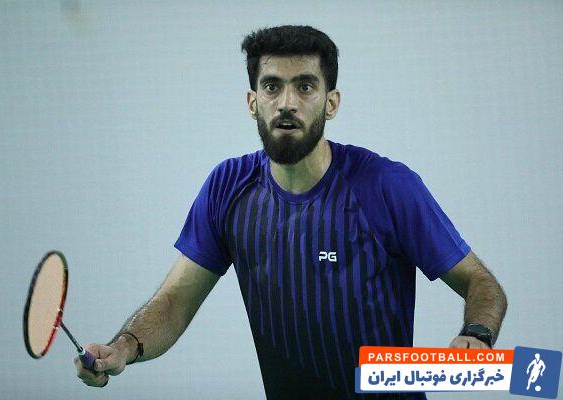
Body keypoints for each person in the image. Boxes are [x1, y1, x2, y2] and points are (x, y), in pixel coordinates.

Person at [74, 25, 508, 399]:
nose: (287, 102)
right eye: (272, 86)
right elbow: (174, 301)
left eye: (305, 86)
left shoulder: (386, 186)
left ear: (331, 102)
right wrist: (124, 347)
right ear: (252, 102)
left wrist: (477, 334)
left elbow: (480, 282)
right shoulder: (227, 187)